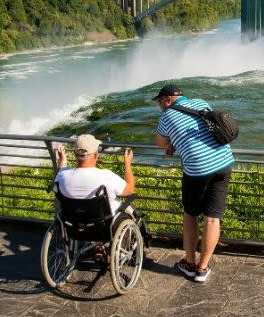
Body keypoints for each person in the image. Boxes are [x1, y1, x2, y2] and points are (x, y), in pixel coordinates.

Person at [153, 84, 234, 282]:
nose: (159, 106)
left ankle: (189, 263)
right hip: (224, 162)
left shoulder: (166, 116)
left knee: (190, 215)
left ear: (167, 99)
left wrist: (172, 144)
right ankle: (202, 269)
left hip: (198, 169)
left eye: (159, 102)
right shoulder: (201, 103)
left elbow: (160, 143)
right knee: (213, 219)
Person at [54, 133, 135, 221]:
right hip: (104, 224)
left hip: (73, 223)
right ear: (96, 154)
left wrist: (62, 160)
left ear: (75, 154)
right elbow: (129, 190)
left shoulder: (62, 175)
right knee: (130, 209)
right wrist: (127, 163)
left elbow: (60, 173)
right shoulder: (105, 176)